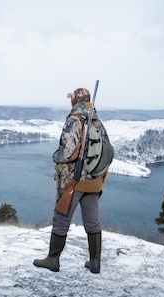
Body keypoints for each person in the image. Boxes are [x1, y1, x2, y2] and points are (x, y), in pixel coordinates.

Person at [33, 87, 108, 274]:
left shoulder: (74, 120)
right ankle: (95, 262)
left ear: (75, 101)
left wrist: (56, 156)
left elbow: (67, 152)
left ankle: (53, 259)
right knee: (92, 221)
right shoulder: (98, 122)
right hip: (94, 181)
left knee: (61, 218)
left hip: (74, 181)